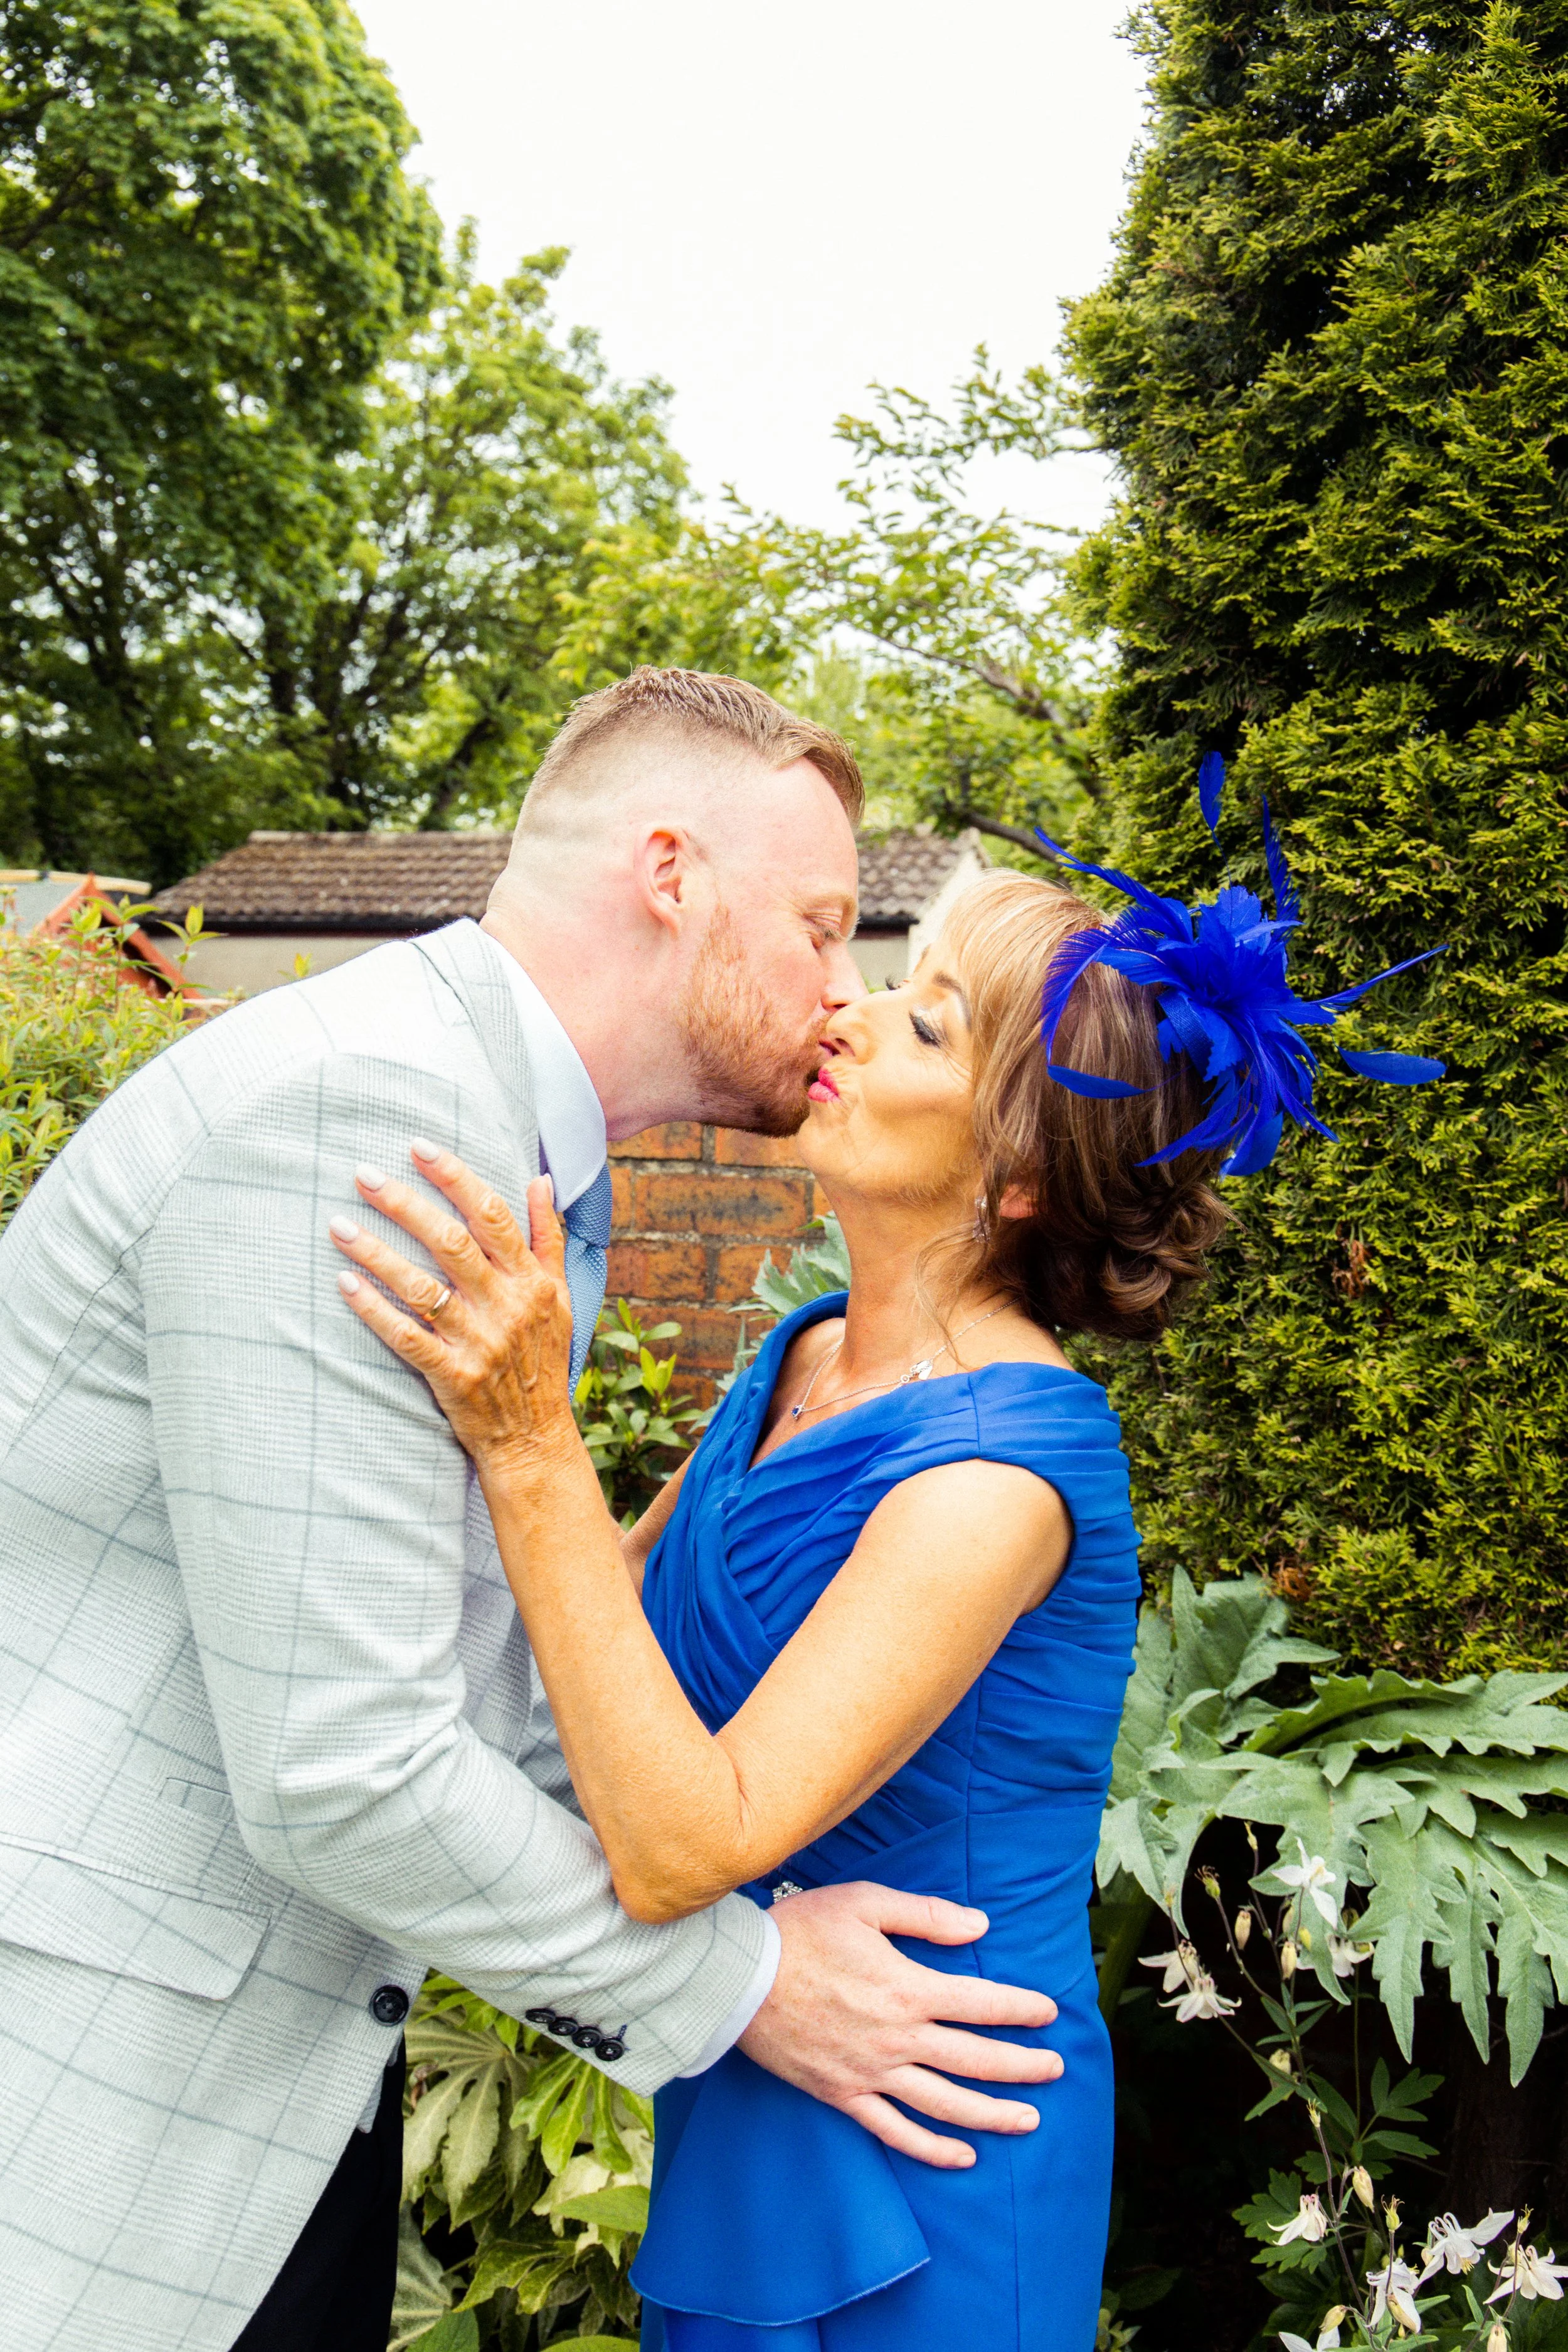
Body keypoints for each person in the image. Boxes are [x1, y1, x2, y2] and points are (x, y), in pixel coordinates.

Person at [0, 670, 1061, 2352]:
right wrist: (750, 1981)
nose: (837, 991)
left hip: (282, 2069)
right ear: (668, 875)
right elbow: (349, 1763)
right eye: (819, 923)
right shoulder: (371, 1113)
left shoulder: (514, 1145)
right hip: (106, 2088)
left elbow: (490, 1671)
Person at [334, 787, 1444, 2349]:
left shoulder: (997, 1475)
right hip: (769, 2054)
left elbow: (678, 1841)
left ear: (1019, 1183)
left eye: (924, 1031)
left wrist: (530, 1442)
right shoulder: (795, 1362)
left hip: (934, 2131)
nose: (846, 1020)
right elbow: (576, 1652)